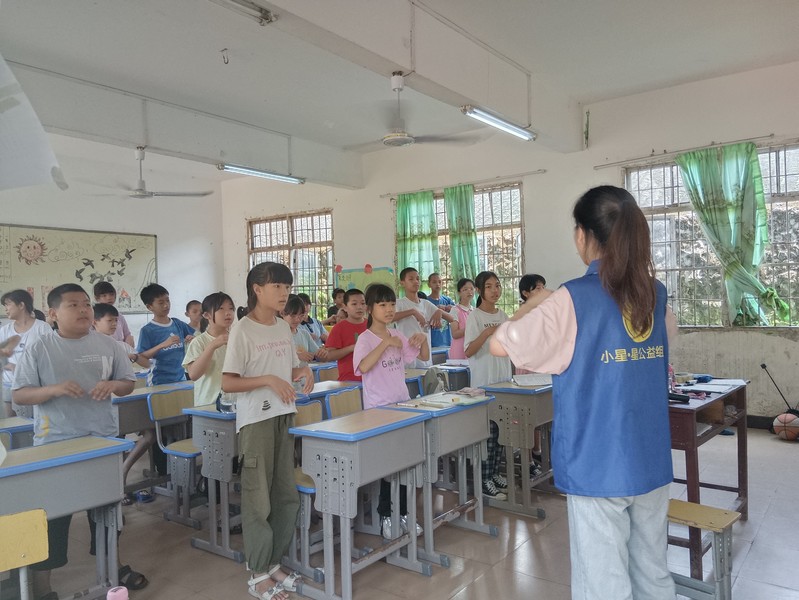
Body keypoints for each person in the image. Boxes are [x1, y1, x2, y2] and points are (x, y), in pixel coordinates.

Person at [490, 185, 678, 600]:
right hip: (649, 455)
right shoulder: (656, 293)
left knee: (603, 583)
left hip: (598, 459)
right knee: (652, 572)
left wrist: (536, 303)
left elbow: (501, 345)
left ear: (583, 235)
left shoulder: (572, 298)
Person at [12, 283, 148, 598]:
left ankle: (113, 568)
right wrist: (54, 389)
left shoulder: (109, 344)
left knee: (108, 509)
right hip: (55, 444)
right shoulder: (40, 347)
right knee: (52, 517)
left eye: (86, 304)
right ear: (53, 313)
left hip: (101, 441)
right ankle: (43, 587)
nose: (84, 310)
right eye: (73, 305)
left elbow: (127, 383)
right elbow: (20, 394)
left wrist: (112, 385)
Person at [222, 262, 313, 600]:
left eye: (287, 286)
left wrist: (303, 371)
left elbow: (288, 369)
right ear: (257, 289)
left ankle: (273, 563)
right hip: (256, 421)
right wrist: (269, 380)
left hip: (283, 415)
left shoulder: (282, 327)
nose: (284, 293)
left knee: (284, 495)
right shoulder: (243, 329)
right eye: (277, 286)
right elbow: (228, 382)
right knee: (258, 498)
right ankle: (258, 573)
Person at [352, 283, 428, 539]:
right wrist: (385, 344)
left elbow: (422, 356)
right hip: (379, 410)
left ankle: (404, 512)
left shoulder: (397, 333)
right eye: (382, 304)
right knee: (387, 466)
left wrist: (422, 339)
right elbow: (363, 367)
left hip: (402, 405)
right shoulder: (365, 339)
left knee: (405, 463)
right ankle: (386, 514)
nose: (389, 309)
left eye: (392, 304)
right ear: (370, 309)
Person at [93, 302, 154, 503]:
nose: (114, 324)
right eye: (109, 320)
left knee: (150, 434)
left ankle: (123, 474)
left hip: (127, 401)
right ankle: (117, 489)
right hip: (107, 407)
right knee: (115, 444)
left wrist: (133, 356)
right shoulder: (90, 346)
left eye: (116, 321)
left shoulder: (120, 344)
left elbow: (146, 362)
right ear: (95, 322)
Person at [464, 271, 511, 501]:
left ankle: (494, 473)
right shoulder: (475, 316)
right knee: (488, 434)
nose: (495, 290)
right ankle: (484, 480)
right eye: (490, 286)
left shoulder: (503, 315)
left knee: (501, 432)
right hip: (484, 383)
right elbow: (469, 350)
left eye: (498, 285)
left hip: (503, 381)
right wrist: (487, 332)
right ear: (480, 290)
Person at [1, 289, 53, 417]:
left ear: (21, 305)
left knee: (36, 422)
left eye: (8, 304)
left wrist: (20, 368)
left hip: (34, 387)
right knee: (12, 425)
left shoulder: (42, 328)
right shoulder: (4, 331)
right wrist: (8, 365)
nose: (5, 309)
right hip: (9, 385)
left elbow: (50, 358)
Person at [393, 267, 454, 368]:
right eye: (411, 279)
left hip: (425, 359)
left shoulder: (426, 304)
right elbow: (390, 318)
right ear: (402, 283)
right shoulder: (399, 303)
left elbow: (451, 319)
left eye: (418, 279)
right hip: (407, 361)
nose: (416, 281)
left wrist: (439, 311)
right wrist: (413, 312)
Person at [183, 292, 235, 406]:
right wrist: (212, 346)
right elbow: (193, 375)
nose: (228, 313)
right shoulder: (198, 342)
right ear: (207, 315)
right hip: (208, 405)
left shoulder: (237, 339)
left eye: (231, 309)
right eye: (221, 309)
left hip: (235, 404)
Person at [136, 283, 195, 385]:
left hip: (181, 379)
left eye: (167, 300)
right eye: (161, 302)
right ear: (149, 306)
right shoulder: (147, 330)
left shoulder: (178, 323)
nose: (166, 305)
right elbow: (141, 356)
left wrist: (192, 338)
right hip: (158, 381)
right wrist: (162, 345)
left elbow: (197, 337)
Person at [324, 288, 368, 382]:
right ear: (345, 307)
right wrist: (351, 348)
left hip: (372, 379)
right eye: (354, 304)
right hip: (349, 381)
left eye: (362, 303)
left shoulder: (372, 325)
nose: (359, 307)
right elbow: (329, 355)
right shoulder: (339, 328)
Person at [282, 294, 328, 365]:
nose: (297, 320)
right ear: (282, 313)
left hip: (305, 371)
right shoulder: (278, 335)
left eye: (301, 316)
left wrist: (322, 353)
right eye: (293, 316)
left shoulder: (304, 334)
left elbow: (318, 355)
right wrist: (297, 356)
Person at [93, 281, 135, 347]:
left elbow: (127, 334)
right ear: (96, 298)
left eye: (111, 294)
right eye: (104, 296)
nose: (109, 298)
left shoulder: (119, 316)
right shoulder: (92, 316)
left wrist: (128, 345)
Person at [448, 278, 475, 360]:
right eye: (465, 289)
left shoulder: (474, 311)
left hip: (472, 350)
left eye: (471, 289)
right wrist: (471, 328)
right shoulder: (455, 310)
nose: (469, 291)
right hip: (459, 351)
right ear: (459, 293)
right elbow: (455, 334)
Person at [426, 272, 455, 348]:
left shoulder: (447, 300)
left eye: (439, 282)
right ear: (429, 284)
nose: (437, 284)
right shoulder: (426, 301)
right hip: (432, 343)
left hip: (447, 341)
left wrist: (450, 308)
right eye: (434, 282)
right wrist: (436, 309)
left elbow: (456, 315)